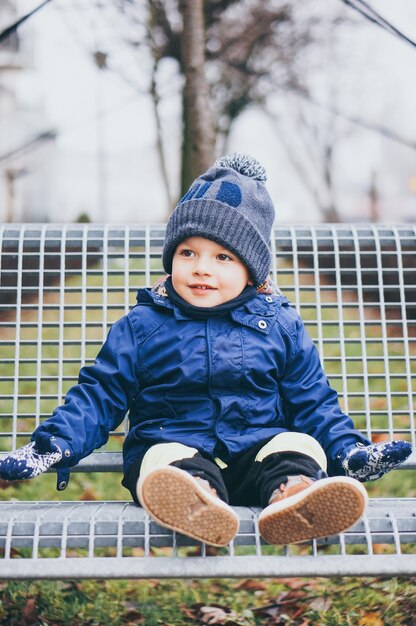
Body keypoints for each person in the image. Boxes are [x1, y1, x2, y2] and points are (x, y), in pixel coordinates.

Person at [0, 154, 412, 547]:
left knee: (295, 445)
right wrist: (52, 444)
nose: (201, 267)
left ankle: (294, 496)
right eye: (187, 253)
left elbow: (315, 402)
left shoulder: (280, 326)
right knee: (165, 456)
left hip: (258, 453)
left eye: (222, 257)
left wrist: (348, 450)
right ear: (171, 258)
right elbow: (99, 395)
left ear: (251, 271)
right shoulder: (143, 327)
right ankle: (195, 498)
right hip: (175, 447)